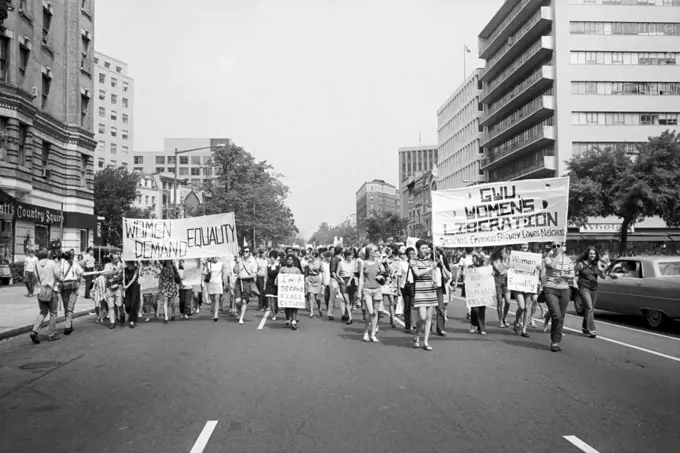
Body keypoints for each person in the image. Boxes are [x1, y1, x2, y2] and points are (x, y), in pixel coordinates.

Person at [544, 241, 575, 352]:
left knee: (561, 317)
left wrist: (565, 275)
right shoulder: (548, 257)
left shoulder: (567, 259)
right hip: (550, 288)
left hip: (564, 289)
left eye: (558, 246)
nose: (556, 248)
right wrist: (559, 254)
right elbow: (551, 265)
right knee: (556, 315)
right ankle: (554, 338)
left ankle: (555, 342)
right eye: (554, 246)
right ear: (551, 247)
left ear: (562, 246)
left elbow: (572, 274)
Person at [29, 249, 63, 343]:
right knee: (53, 313)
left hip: (41, 291)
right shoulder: (52, 263)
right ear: (47, 255)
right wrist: (61, 279)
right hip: (52, 290)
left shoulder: (35, 265)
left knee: (43, 311)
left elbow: (35, 278)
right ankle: (51, 334)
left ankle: (34, 331)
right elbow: (57, 276)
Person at [410, 240, 438, 351]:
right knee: (422, 317)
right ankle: (416, 335)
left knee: (429, 318)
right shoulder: (413, 260)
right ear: (417, 249)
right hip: (420, 290)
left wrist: (435, 280)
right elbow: (417, 273)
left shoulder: (431, 260)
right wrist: (430, 268)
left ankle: (426, 341)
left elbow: (433, 272)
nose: (425, 250)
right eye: (423, 248)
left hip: (430, 290)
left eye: (426, 248)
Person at [574, 246, 607, 338]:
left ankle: (585, 327)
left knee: (589, 308)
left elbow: (603, 277)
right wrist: (574, 283)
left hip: (594, 288)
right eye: (590, 253)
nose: (592, 255)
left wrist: (602, 270)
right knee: (589, 307)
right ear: (587, 254)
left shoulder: (597, 264)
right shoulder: (581, 264)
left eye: (594, 253)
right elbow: (572, 272)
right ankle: (592, 329)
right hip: (583, 287)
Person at [358, 244, 385, 343]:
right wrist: (359, 293)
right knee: (370, 311)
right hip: (367, 290)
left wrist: (382, 275)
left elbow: (384, 273)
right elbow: (361, 278)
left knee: (375, 312)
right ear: (370, 252)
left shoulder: (378, 262)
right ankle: (365, 332)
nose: (377, 252)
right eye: (375, 250)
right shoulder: (363, 263)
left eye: (377, 250)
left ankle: (373, 334)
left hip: (377, 289)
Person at [59, 251, 84, 336]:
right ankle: (68, 326)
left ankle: (68, 324)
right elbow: (81, 273)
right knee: (69, 307)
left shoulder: (60, 264)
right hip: (73, 287)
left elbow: (57, 275)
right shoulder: (74, 264)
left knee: (67, 307)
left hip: (64, 287)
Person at [277, 254, 303, 330]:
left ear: (293, 261)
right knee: (287, 306)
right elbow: (278, 279)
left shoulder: (297, 270)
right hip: (285, 292)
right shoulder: (282, 269)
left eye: (291, 259)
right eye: (288, 259)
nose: (289, 261)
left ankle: (294, 321)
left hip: (294, 292)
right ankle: (288, 319)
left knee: (294, 306)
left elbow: (300, 281)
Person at [233, 247, 258, 325]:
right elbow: (235, 271)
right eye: (243, 251)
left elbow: (254, 274)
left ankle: (241, 318)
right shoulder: (239, 261)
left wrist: (244, 277)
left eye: (247, 251)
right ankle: (240, 312)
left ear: (249, 252)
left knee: (244, 301)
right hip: (238, 282)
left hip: (247, 282)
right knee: (237, 301)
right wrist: (236, 263)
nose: (245, 253)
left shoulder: (252, 262)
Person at [490, 247, 511, 328]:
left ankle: (504, 317)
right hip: (498, 279)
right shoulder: (494, 259)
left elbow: (510, 267)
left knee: (508, 301)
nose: (503, 252)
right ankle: (500, 321)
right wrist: (503, 260)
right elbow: (499, 270)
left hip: (507, 280)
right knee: (499, 301)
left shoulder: (507, 258)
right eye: (502, 250)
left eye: (505, 251)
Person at [398, 247, 416, 333]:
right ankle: (407, 325)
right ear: (407, 255)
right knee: (407, 306)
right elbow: (399, 276)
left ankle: (414, 324)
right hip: (405, 285)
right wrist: (398, 289)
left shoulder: (417, 263)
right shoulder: (402, 264)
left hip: (414, 285)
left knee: (414, 305)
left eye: (414, 254)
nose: (412, 255)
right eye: (410, 254)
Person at [123, 260, 140, 328]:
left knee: (133, 304)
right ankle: (131, 316)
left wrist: (127, 286)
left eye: (128, 263)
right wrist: (124, 285)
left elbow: (133, 279)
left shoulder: (136, 268)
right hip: (127, 287)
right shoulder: (125, 269)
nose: (127, 264)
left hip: (134, 287)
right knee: (127, 305)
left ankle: (132, 321)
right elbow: (123, 278)